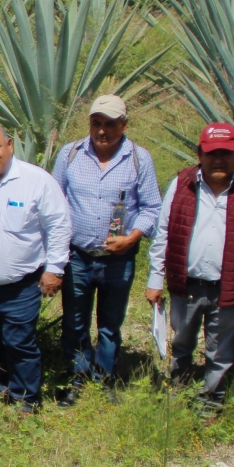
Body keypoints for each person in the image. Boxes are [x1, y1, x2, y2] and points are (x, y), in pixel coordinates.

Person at [53, 94, 161, 404]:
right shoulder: (70, 154)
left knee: (110, 324)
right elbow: (53, 200)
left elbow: (152, 207)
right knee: (74, 321)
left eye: (110, 124)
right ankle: (78, 374)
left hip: (119, 259)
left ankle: (104, 377)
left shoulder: (140, 158)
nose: (102, 130)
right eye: (96, 123)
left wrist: (132, 237)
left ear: (124, 125)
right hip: (77, 257)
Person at [146, 122, 234, 407]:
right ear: (200, 154)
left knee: (219, 351)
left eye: (226, 153)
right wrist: (154, 278)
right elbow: (163, 233)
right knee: (182, 344)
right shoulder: (182, 183)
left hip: (229, 288)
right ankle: (179, 391)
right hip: (186, 285)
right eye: (212, 153)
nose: (219, 159)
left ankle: (211, 403)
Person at [0, 125, 71, 412]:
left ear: (9, 145)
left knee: (19, 342)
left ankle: (26, 400)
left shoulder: (36, 181)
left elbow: (58, 225)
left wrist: (55, 268)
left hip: (21, 285)